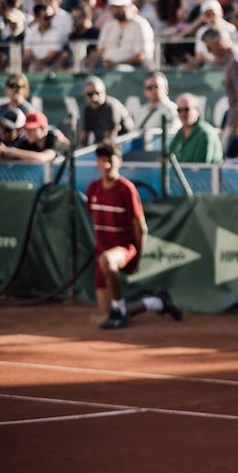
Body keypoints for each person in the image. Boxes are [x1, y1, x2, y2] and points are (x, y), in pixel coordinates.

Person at [85, 141, 183, 330]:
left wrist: (136, 258)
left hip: (124, 249)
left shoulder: (127, 189)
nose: (105, 165)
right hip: (102, 255)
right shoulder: (93, 189)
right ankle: (157, 303)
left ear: (119, 161)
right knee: (108, 312)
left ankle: (119, 312)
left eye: (109, 160)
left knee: (107, 261)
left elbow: (141, 228)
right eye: (101, 160)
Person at [86, 0, 155, 71]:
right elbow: (100, 51)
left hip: (134, 69)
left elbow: (142, 57)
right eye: (113, 7)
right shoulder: (109, 25)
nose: (116, 10)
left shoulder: (141, 25)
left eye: (120, 7)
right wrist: (91, 62)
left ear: (129, 6)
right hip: (107, 67)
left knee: (120, 69)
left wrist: (116, 64)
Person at [169, 94, 224, 165]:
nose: (183, 114)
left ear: (197, 110)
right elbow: (168, 157)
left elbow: (200, 170)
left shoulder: (205, 134)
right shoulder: (180, 132)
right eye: (179, 110)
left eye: (186, 109)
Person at [80, 77, 134, 146]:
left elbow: (110, 137)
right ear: (85, 95)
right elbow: (84, 136)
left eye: (97, 93)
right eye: (90, 94)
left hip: (125, 145)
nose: (94, 97)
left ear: (104, 92)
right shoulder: (88, 109)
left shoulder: (111, 106)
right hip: (103, 144)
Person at [134, 71, 181, 140]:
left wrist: (150, 133)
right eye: (149, 88)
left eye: (156, 86)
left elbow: (172, 133)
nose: (153, 91)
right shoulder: (141, 110)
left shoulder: (173, 109)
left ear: (166, 89)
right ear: (145, 91)